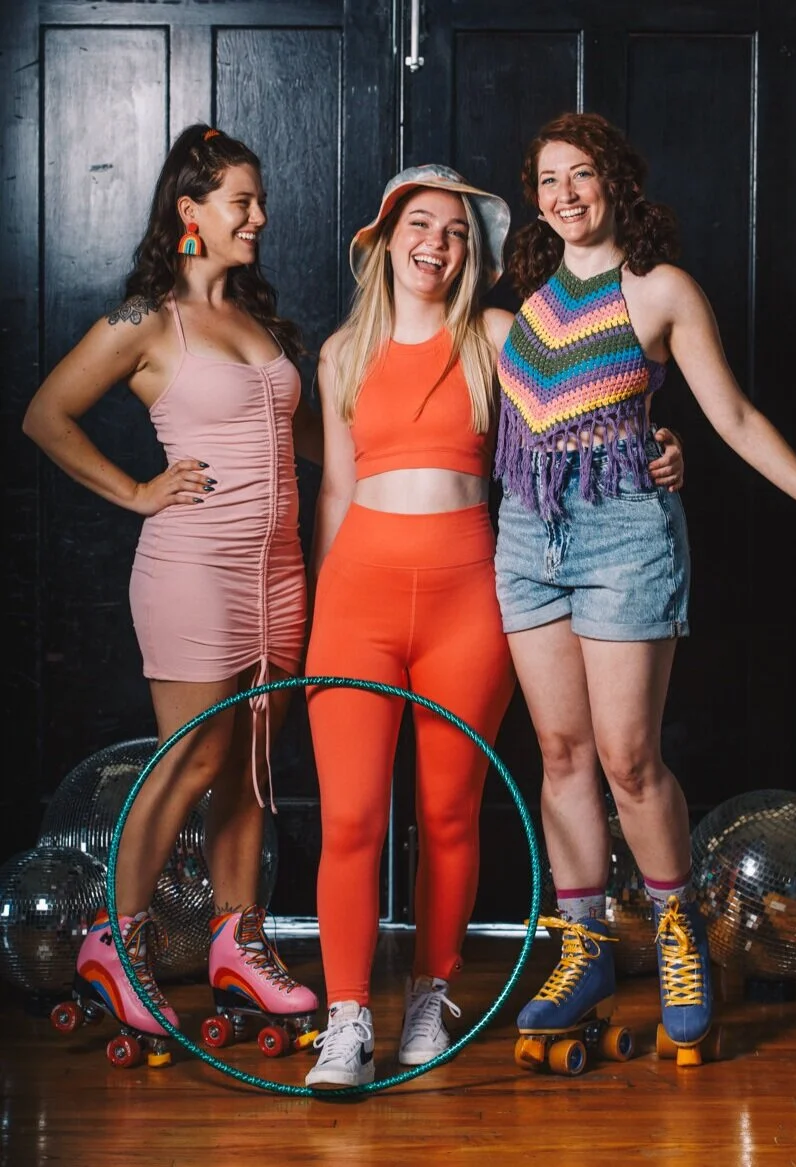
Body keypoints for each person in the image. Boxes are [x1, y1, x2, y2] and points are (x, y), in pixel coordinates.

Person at [301, 163, 685, 1090]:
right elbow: (337, 489)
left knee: (447, 812)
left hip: (469, 599)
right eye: (419, 224)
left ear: (470, 253)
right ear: (384, 241)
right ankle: (346, 1019)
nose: (436, 242)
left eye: (455, 231)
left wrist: (657, 440)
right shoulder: (341, 352)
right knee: (349, 818)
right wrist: (316, 612)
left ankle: (429, 995)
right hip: (355, 600)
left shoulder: (500, 335)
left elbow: (595, 398)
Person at [493, 111, 796, 1061]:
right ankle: (582, 953)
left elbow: (730, 413)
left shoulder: (657, 290)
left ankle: (676, 937)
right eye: (547, 180)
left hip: (624, 535)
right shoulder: (522, 297)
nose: (564, 194)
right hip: (525, 535)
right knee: (561, 755)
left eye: (580, 174)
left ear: (615, 181)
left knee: (627, 759)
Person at [22, 124, 320, 1064]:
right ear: (191, 211)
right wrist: (137, 491)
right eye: (241, 202)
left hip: (280, 572)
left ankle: (238, 942)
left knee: (253, 766)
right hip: (193, 563)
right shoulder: (149, 319)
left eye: (259, 201)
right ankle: (117, 941)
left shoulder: (261, 322)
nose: (258, 217)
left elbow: (307, 441)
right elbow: (46, 414)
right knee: (192, 756)